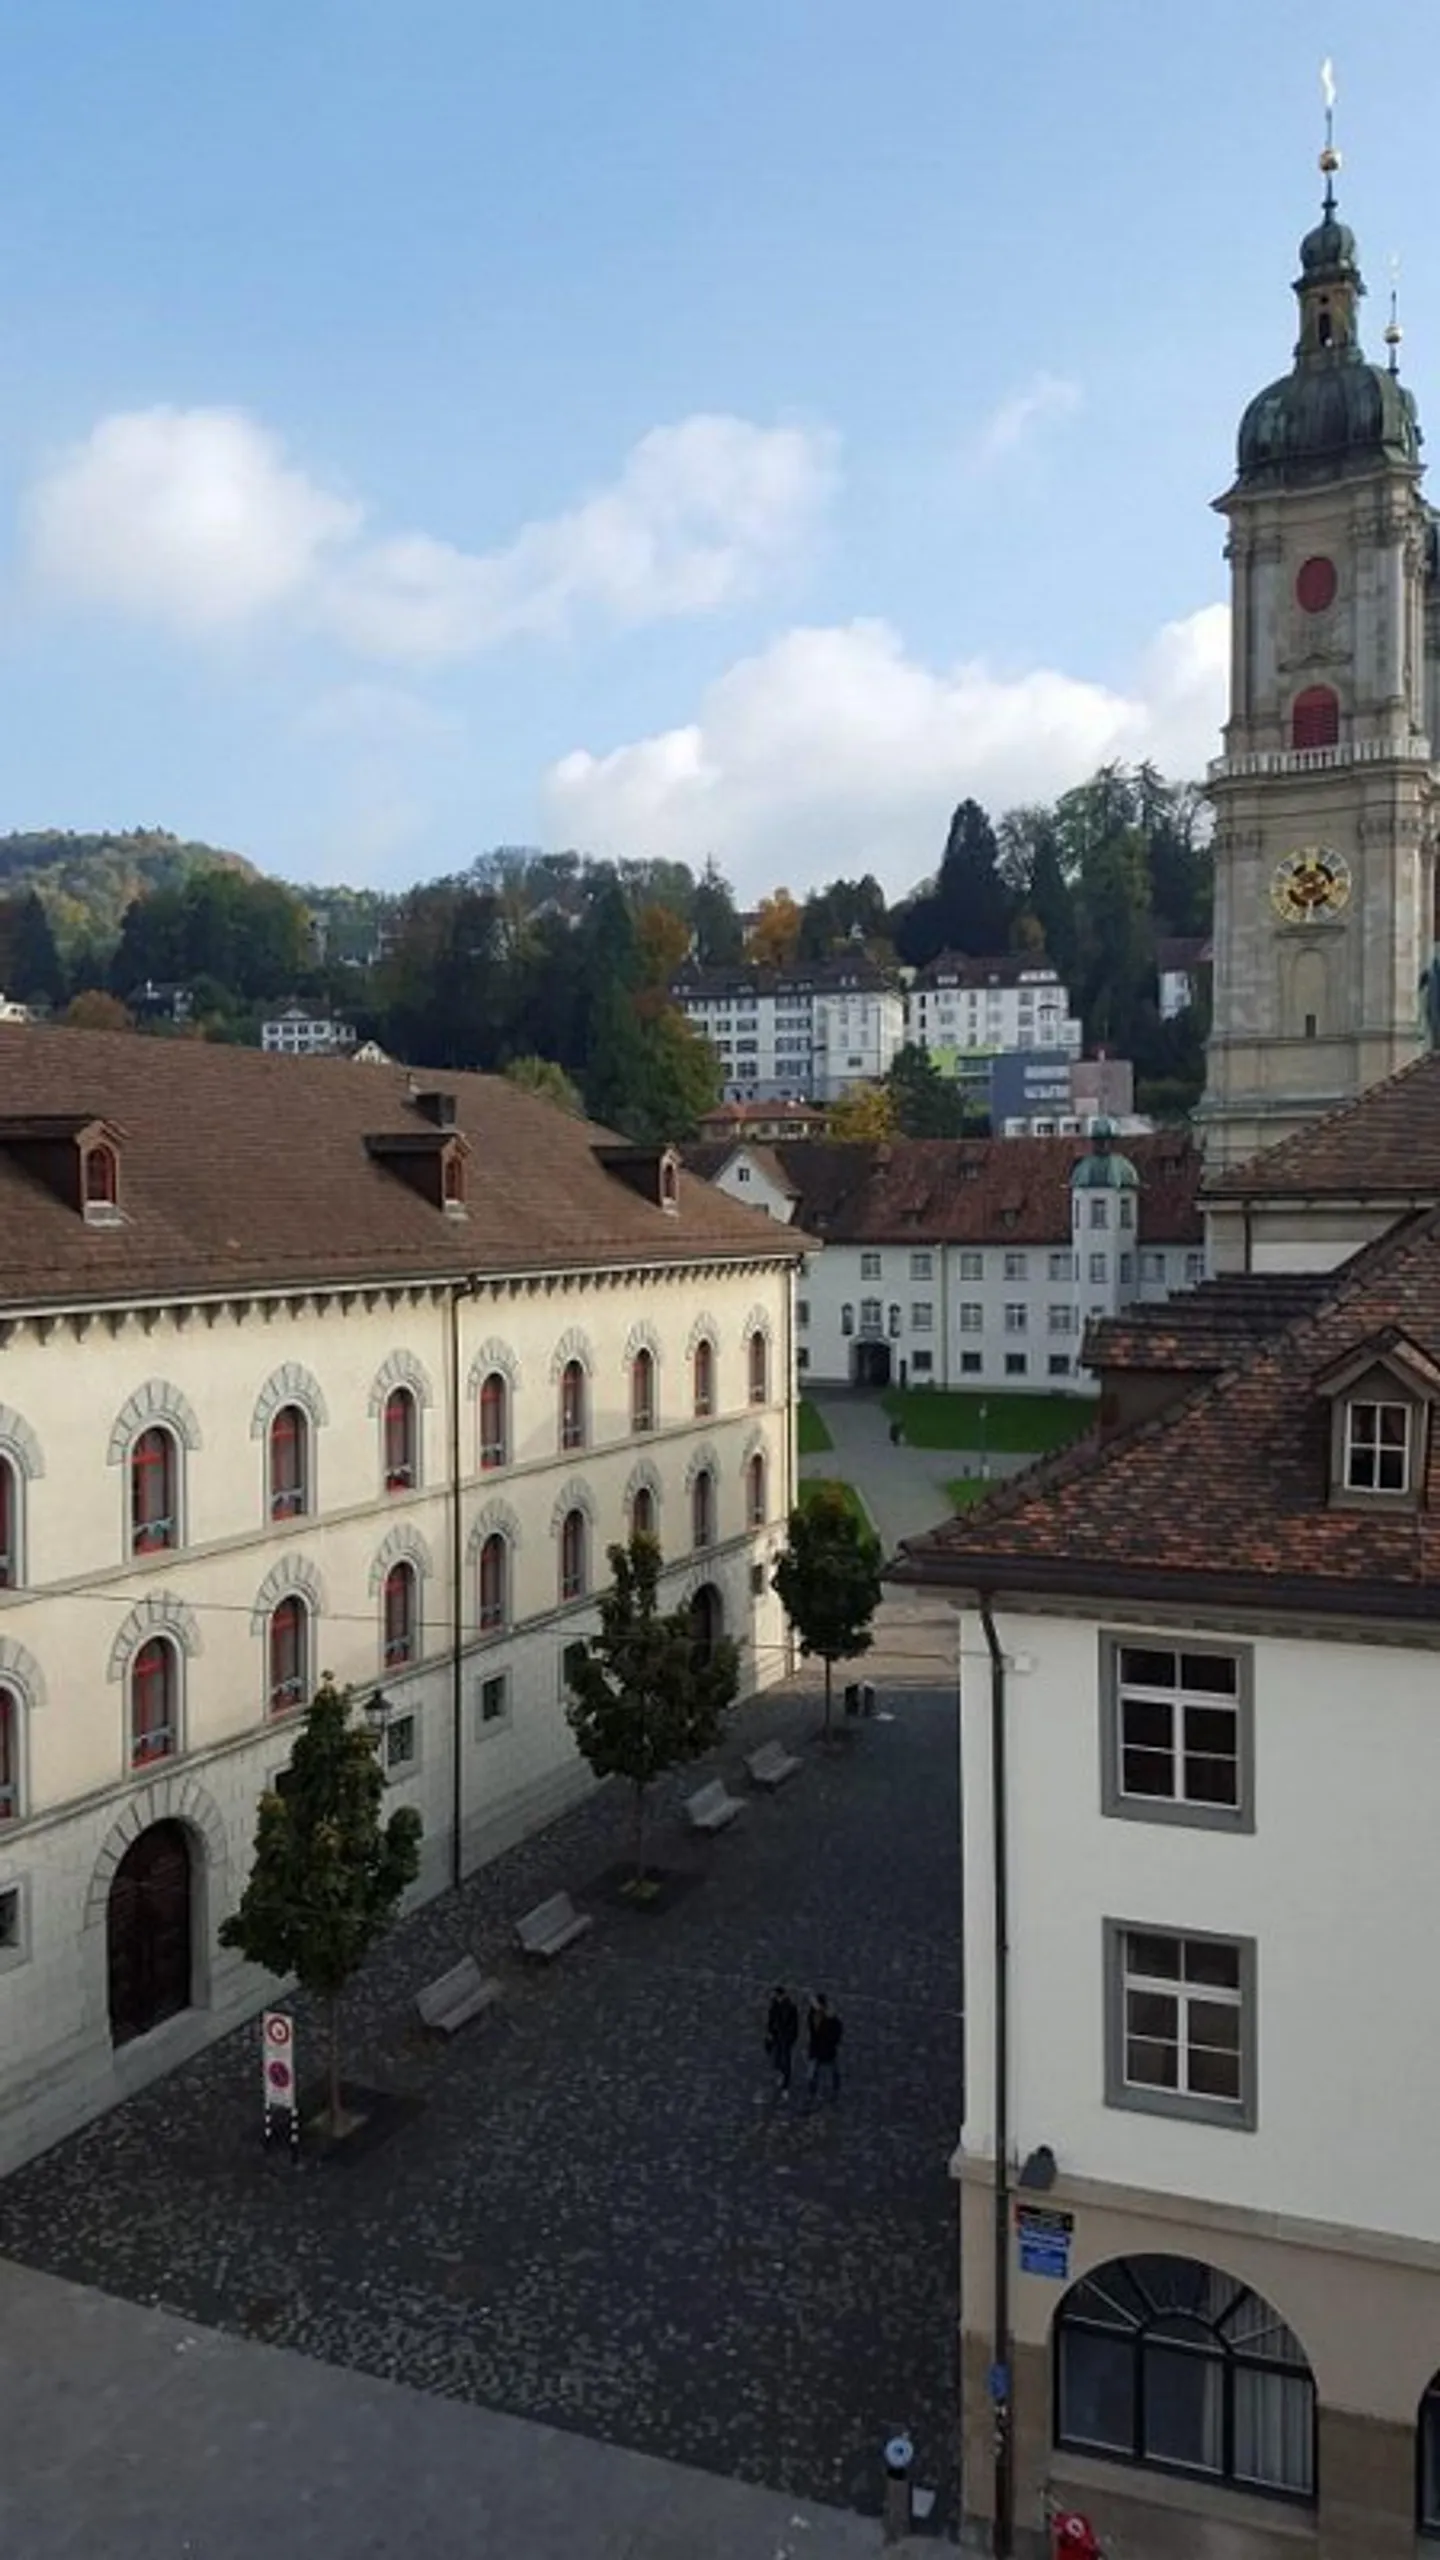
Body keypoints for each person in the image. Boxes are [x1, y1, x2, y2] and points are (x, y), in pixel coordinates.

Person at [806, 1992, 843, 2104]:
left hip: (827, 2049)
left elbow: (837, 2032)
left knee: (832, 2071)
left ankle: (834, 2091)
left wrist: (831, 2043)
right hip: (816, 2049)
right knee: (812, 2074)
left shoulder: (831, 2019)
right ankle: (813, 2093)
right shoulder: (813, 2015)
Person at [764, 1985, 799, 2098]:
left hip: (785, 2038)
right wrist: (770, 2032)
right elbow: (771, 2019)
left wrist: (790, 2038)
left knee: (786, 2061)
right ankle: (781, 2075)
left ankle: (785, 2085)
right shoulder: (774, 2005)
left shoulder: (790, 2008)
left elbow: (793, 2026)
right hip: (776, 2037)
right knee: (777, 2059)